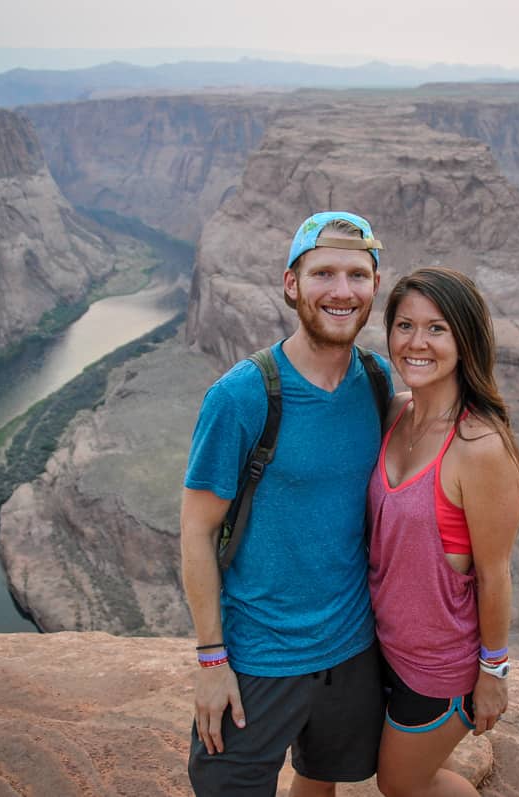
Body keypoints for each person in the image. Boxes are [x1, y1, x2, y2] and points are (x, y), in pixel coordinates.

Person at [180, 211, 392, 796]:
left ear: (375, 286)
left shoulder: (377, 380)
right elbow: (197, 532)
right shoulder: (242, 395)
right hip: (258, 657)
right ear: (292, 283)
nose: (342, 291)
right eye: (323, 272)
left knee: (319, 781)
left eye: (357, 274)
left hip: (352, 650)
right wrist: (211, 662)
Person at [367, 267, 519, 797]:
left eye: (437, 329)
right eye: (405, 325)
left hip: (440, 667)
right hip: (379, 646)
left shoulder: (479, 447)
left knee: (399, 784)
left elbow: (496, 574)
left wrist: (493, 675)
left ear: (465, 339)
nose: (416, 342)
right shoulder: (394, 413)